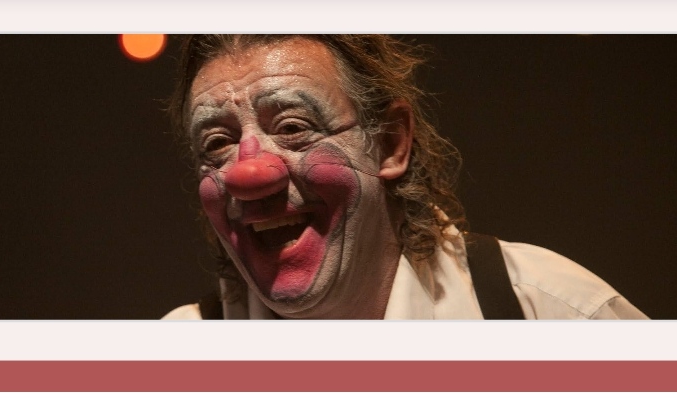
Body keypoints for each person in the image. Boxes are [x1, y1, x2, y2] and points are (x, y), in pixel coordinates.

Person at [162, 35, 647, 320]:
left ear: (391, 142)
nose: (249, 174)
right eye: (217, 144)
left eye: (293, 128)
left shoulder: (553, 313)